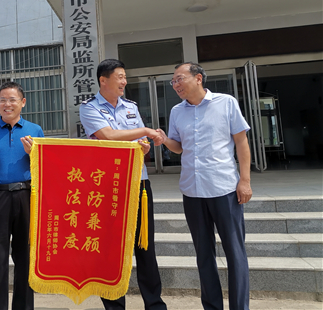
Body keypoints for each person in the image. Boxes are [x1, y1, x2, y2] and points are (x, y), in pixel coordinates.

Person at [158, 62, 252, 310]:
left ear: (198, 78)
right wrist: (164, 139)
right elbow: (179, 147)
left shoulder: (226, 103)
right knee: (203, 255)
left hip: (224, 189)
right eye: (173, 81)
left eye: (180, 79)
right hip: (192, 191)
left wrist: (244, 181)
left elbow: (241, 142)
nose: (175, 85)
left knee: (235, 252)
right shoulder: (177, 111)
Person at [79, 59, 167, 310]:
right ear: (103, 80)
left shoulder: (130, 107)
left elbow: (137, 140)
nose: (124, 82)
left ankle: (155, 304)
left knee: (145, 246)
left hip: (138, 183)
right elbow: (108, 136)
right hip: (108, 186)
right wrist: (145, 131)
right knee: (111, 249)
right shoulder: (89, 108)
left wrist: (144, 144)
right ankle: (115, 306)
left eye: (125, 77)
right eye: (120, 77)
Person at [0, 81, 44, 310]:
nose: (7, 104)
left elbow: (45, 167)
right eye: (2, 100)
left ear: (22, 102)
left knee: (26, 257)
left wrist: (34, 154)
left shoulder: (35, 131)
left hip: (27, 196)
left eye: (12, 99)